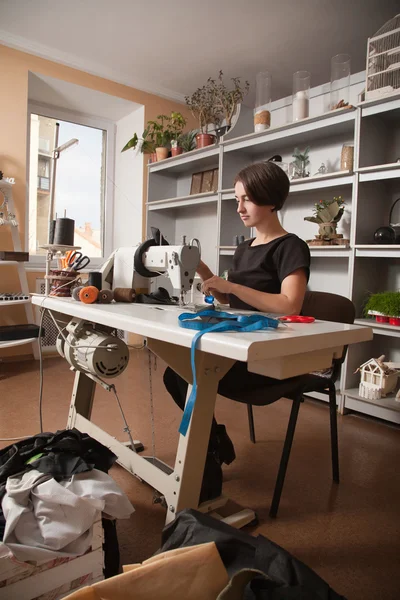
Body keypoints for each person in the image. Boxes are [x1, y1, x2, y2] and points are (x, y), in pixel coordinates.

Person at [163, 161, 311, 502]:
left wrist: (233, 288)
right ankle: (213, 444)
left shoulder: (290, 247)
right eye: (237, 199)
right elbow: (235, 302)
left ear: (271, 200)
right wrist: (208, 277)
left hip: (269, 359)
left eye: (247, 199)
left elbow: (290, 305)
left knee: (191, 376)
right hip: (242, 345)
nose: (239, 207)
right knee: (177, 372)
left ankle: (207, 457)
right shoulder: (244, 248)